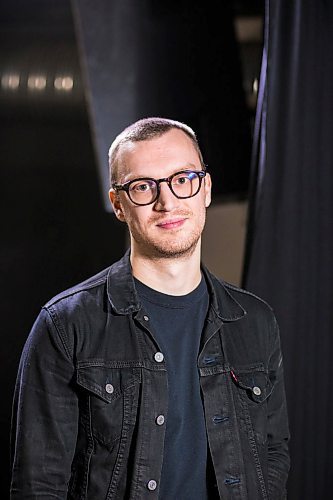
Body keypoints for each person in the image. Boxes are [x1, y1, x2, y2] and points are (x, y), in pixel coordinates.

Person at [10, 117, 290, 499]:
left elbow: (272, 452)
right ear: (119, 205)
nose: (167, 201)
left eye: (182, 179)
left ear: (205, 188)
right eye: (143, 186)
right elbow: (38, 484)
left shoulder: (255, 321)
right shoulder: (67, 324)